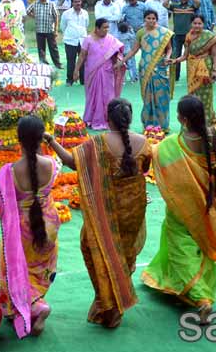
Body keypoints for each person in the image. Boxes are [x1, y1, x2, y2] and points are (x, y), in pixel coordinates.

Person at [141, 90, 216, 319]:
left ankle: (201, 297)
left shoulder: (169, 146)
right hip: (207, 205)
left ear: (183, 119)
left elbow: (146, 156)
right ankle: (185, 285)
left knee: (181, 248)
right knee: (201, 244)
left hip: (181, 210)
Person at [46, 99, 151, 328]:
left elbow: (72, 162)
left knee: (94, 249)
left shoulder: (97, 143)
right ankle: (113, 302)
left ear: (108, 118)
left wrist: (51, 140)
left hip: (106, 213)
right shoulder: (143, 142)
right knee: (124, 256)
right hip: (133, 212)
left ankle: (109, 306)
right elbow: (143, 170)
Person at [0, 116, 60, 338]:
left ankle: (33, 307)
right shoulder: (50, 164)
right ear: (42, 138)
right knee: (37, 269)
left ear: (18, 140)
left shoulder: (9, 172)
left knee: (15, 268)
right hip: (48, 225)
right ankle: (35, 301)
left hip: (21, 230)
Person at [74, 19, 126, 131]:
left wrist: (119, 60)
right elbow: (82, 56)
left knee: (108, 96)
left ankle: (108, 120)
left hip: (108, 72)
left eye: (108, 27)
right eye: (104, 27)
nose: (107, 30)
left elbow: (118, 53)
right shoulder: (88, 40)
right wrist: (76, 70)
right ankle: (91, 119)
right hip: (92, 73)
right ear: (97, 28)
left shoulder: (111, 39)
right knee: (93, 96)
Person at [125, 10, 174, 130]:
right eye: (148, 18)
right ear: (144, 19)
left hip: (160, 68)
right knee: (148, 97)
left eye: (153, 18)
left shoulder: (164, 32)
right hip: (145, 68)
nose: (151, 21)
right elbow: (134, 50)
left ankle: (163, 125)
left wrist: (167, 57)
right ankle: (149, 124)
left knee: (162, 96)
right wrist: (123, 60)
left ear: (156, 19)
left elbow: (169, 49)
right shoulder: (140, 33)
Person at [173, 13, 216, 124]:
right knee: (193, 98)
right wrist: (175, 61)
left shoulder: (209, 36)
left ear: (203, 24)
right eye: (195, 23)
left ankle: (207, 123)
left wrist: (215, 70)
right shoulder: (188, 36)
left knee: (206, 98)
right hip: (192, 70)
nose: (197, 25)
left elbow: (214, 55)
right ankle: (194, 124)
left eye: (199, 23)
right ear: (191, 24)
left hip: (206, 70)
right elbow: (185, 56)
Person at [27, 0, 63, 68]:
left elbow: (56, 16)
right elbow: (28, 11)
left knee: (53, 48)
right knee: (41, 49)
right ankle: (44, 64)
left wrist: (56, 30)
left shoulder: (51, 4)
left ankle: (57, 64)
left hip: (50, 30)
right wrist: (34, 16)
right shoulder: (35, 4)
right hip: (39, 30)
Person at [60, 0, 89, 86]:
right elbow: (63, 27)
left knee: (83, 61)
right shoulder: (66, 14)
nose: (77, 3)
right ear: (72, 3)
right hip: (70, 41)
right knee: (71, 61)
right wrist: (70, 34)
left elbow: (86, 25)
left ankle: (83, 80)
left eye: (79, 1)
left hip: (82, 41)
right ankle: (70, 80)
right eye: (75, 2)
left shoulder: (85, 13)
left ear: (81, 2)